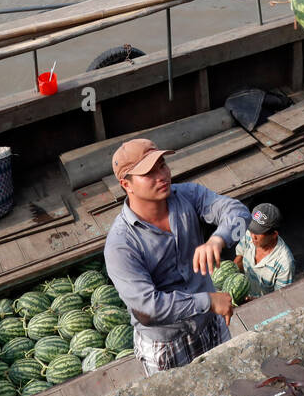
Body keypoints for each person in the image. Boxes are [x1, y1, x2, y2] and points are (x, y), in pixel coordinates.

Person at [103, 138, 251, 375]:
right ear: (126, 184)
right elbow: (148, 309)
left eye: (162, 165)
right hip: (166, 344)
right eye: (149, 172)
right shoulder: (121, 245)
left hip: (209, 323)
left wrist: (219, 238)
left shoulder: (188, 195)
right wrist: (208, 301)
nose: (161, 175)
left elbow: (241, 216)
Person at [233, 203, 295, 296]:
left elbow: (280, 298)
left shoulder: (285, 264)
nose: (253, 236)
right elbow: (240, 257)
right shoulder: (250, 234)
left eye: (258, 232)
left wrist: (251, 301)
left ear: (274, 234)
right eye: (252, 229)